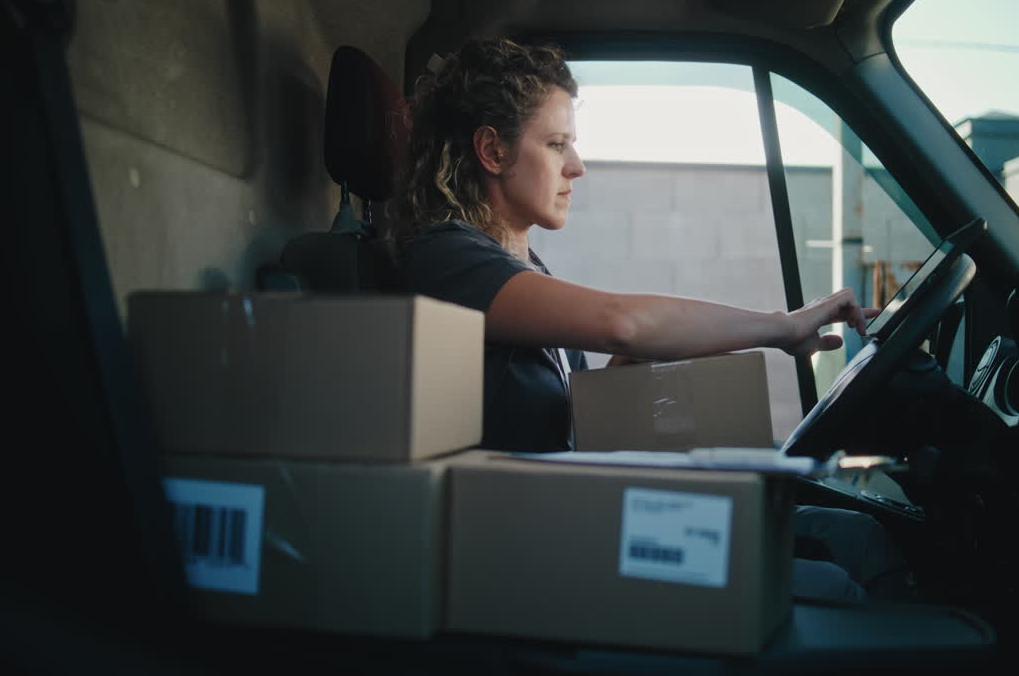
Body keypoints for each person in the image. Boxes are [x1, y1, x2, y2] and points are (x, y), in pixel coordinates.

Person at [388, 35, 911, 602]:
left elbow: (578, 399)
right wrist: (783, 328)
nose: (577, 166)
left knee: (855, 534)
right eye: (557, 144)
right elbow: (622, 321)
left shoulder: (519, 263)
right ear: (492, 151)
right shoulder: (447, 258)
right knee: (835, 584)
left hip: (576, 511)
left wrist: (634, 366)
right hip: (540, 539)